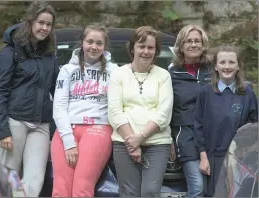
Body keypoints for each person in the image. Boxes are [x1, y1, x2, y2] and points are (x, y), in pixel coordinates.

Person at [0, 1, 58, 197]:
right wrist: (3, 131)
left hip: (41, 125)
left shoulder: (49, 55)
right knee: (8, 179)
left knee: (34, 181)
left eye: (49, 24)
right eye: (41, 22)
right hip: (15, 122)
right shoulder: (10, 51)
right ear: (30, 22)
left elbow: (55, 90)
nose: (44, 28)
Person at [51, 24, 118, 197]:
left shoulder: (115, 71)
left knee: (82, 189)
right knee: (60, 190)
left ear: (104, 46)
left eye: (99, 43)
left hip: (98, 129)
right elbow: (59, 106)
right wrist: (68, 142)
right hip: (66, 130)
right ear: (82, 42)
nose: (94, 47)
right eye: (90, 41)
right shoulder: (67, 70)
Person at [108, 26, 173, 197]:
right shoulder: (118, 74)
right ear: (133, 48)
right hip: (123, 142)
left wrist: (140, 137)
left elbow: (164, 113)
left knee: (150, 191)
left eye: (150, 47)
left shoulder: (164, 76)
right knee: (129, 193)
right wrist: (131, 142)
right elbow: (115, 111)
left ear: (156, 51)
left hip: (157, 143)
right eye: (141, 46)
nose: (146, 51)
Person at [194, 44, 258, 197]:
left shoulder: (247, 93)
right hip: (213, 157)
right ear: (216, 66)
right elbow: (198, 126)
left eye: (231, 62)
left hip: (239, 159)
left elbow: (254, 126)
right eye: (222, 62)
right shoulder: (206, 92)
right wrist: (203, 157)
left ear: (238, 66)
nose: (227, 66)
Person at [168, 24, 212, 197]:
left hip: (212, 134)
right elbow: (166, 108)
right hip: (185, 135)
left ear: (203, 44)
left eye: (197, 41)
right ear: (181, 46)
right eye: (189, 41)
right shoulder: (171, 74)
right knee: (198, 186)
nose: (193, 44)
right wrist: (169, 138)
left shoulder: (213, 70)